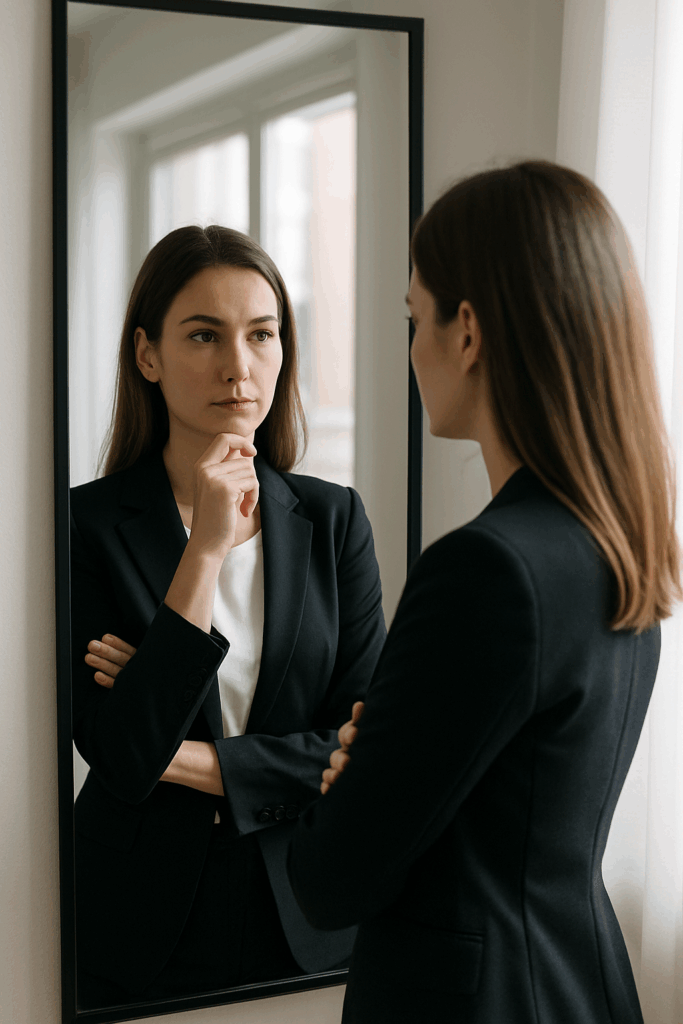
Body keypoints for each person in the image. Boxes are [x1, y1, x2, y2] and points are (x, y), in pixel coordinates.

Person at [287, 160, 683, 1024]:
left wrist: (348, 774)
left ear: (465, 331)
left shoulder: (485, 570)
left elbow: (330, 879)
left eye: (411, 316)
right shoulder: (612, 544)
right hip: (579, 981)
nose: (412, 348)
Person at [70, 225, 386, 1008]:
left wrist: (182, 761)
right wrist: (204, 551)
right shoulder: (81, 528)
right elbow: (118, 751)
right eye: (204, 335)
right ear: (147, 355)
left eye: (262, 335)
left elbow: (364, 744)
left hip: (308, 918)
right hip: (138, 926)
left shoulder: (334, 520)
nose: (238, 369)